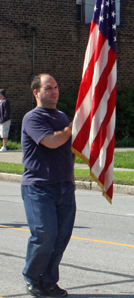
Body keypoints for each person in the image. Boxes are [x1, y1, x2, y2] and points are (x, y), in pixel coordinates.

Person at [21, 74, 75, 297]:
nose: (54, 91)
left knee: (61, 237)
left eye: (56, 86)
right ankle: (33, 278)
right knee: (45, 234)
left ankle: (49, 281)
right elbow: (52, 141)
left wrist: (70, 177)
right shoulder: (32, 118)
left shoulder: (62, 116)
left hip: (64, 186)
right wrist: (74, 126)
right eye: (48, 88)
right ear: (36, 92)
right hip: (39, 187)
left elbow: (69, 149)